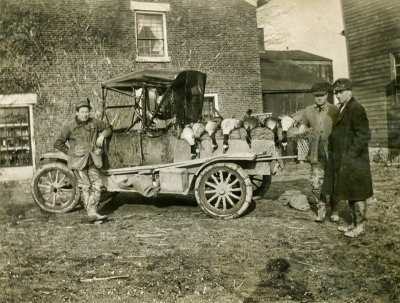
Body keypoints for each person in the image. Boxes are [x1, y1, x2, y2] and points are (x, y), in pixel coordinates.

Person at [322, 78, 373, 238]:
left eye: (340, 92)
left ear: (350, 91)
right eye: (336, 92)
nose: (337, 95)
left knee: (358, 193)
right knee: (351, 191)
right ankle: (354, 223)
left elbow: (363, 135)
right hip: (345, 159)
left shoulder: (356, 108)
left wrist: (351, 155)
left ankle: (361, 225)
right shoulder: (343, 108)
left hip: (355, 160)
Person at [54, 99, 112, 222]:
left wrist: (102, 135)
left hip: (93, 159)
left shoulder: (94, 123)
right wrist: (71, 152)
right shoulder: (69, 127)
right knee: (85, 186)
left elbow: (108, 127)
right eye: (82, 112)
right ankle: (92, 212)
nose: (85, 114)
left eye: (87, 112)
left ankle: (92, 212)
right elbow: (58, 143)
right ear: (77, 113)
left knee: (98, 184)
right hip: (78, 162)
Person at [294, 82, 339, 222]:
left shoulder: (334, 109)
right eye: (316, 96)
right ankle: (321, 210)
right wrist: (302, 126)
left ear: (326, 95)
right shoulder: (309, 110)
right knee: (316, 183)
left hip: (332, 152)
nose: (319, 98)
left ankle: (335, 210)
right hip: (316, 153)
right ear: (313, 96)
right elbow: (304, 123)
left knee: (334, 182)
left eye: (322, 95)